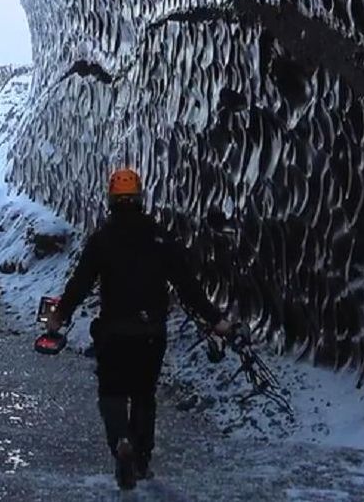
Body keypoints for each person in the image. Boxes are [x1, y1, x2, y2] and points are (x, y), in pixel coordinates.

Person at [45, 166, 234, 490]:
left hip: (114, 332)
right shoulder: (160, 236)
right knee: (144, 394)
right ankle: (142, 460)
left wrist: (59, 317)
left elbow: (80, 284)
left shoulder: (102, 240)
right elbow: (187, 285)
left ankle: (120, 440)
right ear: (139, 197)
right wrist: (215, 320)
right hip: (151, 332)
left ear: (111, 199)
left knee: (112, 392)